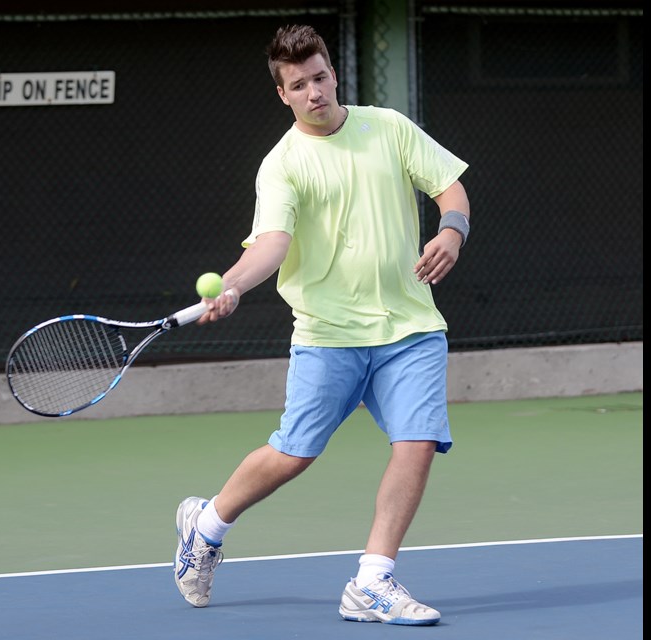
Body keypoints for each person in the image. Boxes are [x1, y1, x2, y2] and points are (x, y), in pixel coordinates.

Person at [173, 24, 470, 626]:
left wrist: (451, 231)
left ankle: (372, 580)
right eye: (298, 85)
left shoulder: (386, 126)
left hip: (410, 325)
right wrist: (232, 283)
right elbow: (273, 244)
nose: (313, 92)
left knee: (417, 443)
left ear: (334, 73)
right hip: (328, 334)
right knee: (293, 454)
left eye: (320, 77)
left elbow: (450, 188)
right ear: (282, 94)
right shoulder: (282, 165)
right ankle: (206, 525)